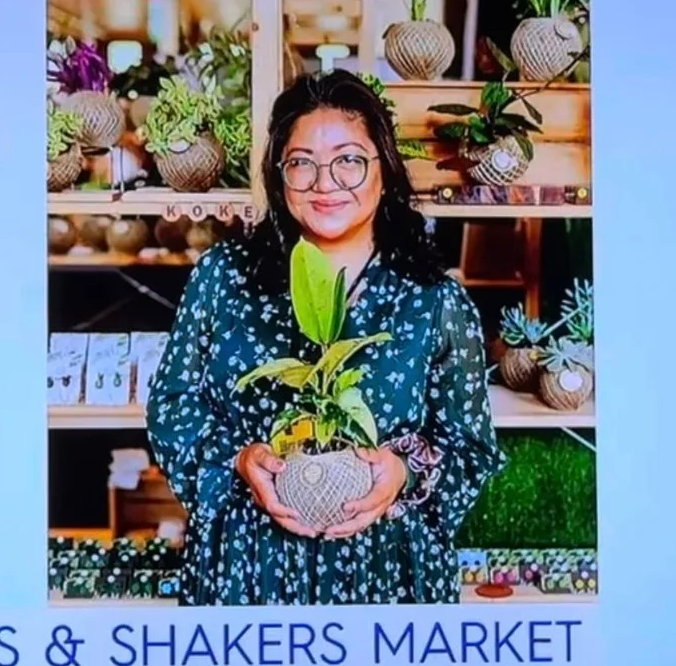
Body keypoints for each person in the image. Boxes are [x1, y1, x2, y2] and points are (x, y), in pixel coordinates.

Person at [146, 69, 504, 606]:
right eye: (302, 164)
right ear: (277, 175)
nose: (325, 183)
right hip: (249, 567)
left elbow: (470, 447)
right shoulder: (223, 278)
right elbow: (173, 404)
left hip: (385, 573)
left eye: (349, 160)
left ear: (384, 168)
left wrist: (402, 471)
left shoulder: (434, 302)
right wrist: (240, 461)